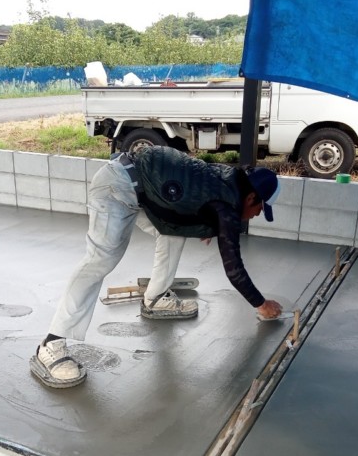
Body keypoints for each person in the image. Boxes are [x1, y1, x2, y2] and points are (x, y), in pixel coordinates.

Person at [29, 146, 283, 388]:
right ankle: (51, 343)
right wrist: (261, 304)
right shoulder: (227, 205)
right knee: (101, 259)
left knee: (174, 235)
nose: (257, 215)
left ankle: (155, 297)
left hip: (141, 188)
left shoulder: (229, 179)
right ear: (251, 197)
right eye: (260, 208)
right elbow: (234, 268)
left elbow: (192, 200)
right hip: (115, 187)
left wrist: (207, 225)